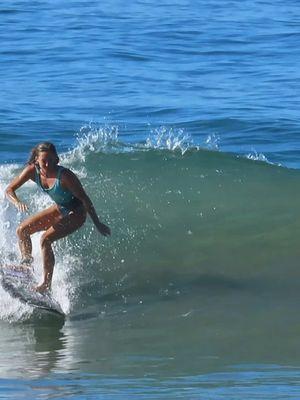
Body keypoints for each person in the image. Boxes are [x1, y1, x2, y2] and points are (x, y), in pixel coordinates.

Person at [5, 142, 111, 293]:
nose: (47, 164)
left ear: (56, 159)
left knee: (45, 240)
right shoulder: (32, 171)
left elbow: (85, 200)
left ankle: (46, 286)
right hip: (61, 208)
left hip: (77, 212)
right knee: (23, 230)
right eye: (44, 161)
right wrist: (17, 202)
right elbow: (9, 189)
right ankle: (26, 267)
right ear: (36, 160)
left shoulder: (65, 176)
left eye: (51, 160)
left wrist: (97, 223)